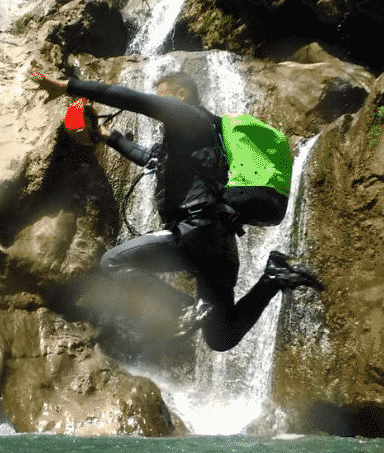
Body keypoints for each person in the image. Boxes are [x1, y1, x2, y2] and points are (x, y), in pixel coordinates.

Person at [31, 69, 324, 352]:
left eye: (163, 96)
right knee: (220, 337)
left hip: (195, 233)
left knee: (113, 263)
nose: (160, 104)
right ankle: (272, 278)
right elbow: (149, 159)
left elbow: (127, 98)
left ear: (181, 95)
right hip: (217, 244)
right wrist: (107, 136)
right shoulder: (196, 143)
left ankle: (186, 309)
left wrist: (67, 86)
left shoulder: (188, 116)